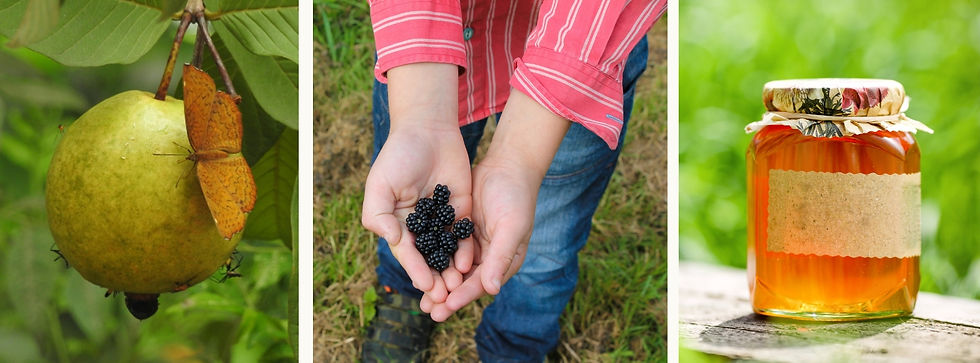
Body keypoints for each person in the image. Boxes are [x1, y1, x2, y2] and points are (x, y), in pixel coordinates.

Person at [360, 0, 666, 361]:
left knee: (545, 242)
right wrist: (418, 117)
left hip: (581, 65)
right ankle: (403, 291)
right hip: (421, 56)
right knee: (405, 221)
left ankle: (516, 341)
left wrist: (521, 160)